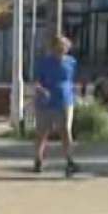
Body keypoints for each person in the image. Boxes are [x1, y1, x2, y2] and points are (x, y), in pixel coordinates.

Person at [33, 35, 80, 177]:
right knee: (42, 133)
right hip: (45, 103)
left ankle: (70, 161)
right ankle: (38, 160)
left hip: (65, 101)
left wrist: (77, 92)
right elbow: (36, 82)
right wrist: (42, 90)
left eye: (64, 48)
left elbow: (73, 80)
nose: (61, 50)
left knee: (65, 131)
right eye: (58, 48)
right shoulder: (44, 63)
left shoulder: (72, 62)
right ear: (52, 48)